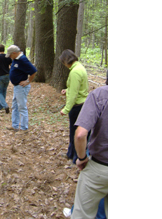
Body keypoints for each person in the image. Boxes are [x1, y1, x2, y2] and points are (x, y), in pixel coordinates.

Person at [71, 82, 108, 219]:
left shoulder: (100, 94)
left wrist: (81, 158)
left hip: (99, 166)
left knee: (82, 214)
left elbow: (80, 134)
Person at [59, 49, 89, 164]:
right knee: (73, 132)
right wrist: (67, 90)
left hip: (77, 106)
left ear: (66, 61)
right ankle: (70, 154)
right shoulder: (79, 67)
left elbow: (74, 94)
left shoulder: (75, 72)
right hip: (81, 104)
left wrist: (66, 109)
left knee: (75, 133)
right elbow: (76, 88)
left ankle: (76, 158)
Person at [5, 45, 37, 135]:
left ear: (14, 53)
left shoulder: (23, 60)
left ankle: (24, 128)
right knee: (15, 106)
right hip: (16, 87)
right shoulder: (16, 59)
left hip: (21, 87)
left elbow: (33, 71)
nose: (10, 57)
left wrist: (28, 81)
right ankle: (15, 125)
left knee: (22, 107)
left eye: (10, 55)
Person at [0, 44, 12, 113]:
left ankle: (5, 105)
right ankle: (0, 107)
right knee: (4, 91)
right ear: (4, 49)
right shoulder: (8, 57)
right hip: (7, 75)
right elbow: (12, 66)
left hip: (0, 76)